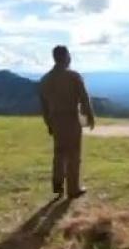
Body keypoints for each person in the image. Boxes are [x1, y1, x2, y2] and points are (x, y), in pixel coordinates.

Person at [37, 45, 95, 199]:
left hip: (55, 119)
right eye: (69, 55)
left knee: (59, 152)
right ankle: (73, 188)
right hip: (70, 118)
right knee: (73, 154)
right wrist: (90, 116)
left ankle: (57, 183)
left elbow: (44, 106)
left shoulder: (45, 80)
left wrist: (48, 123)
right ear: (65, 57)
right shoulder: (74, 76)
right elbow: (84, 98)